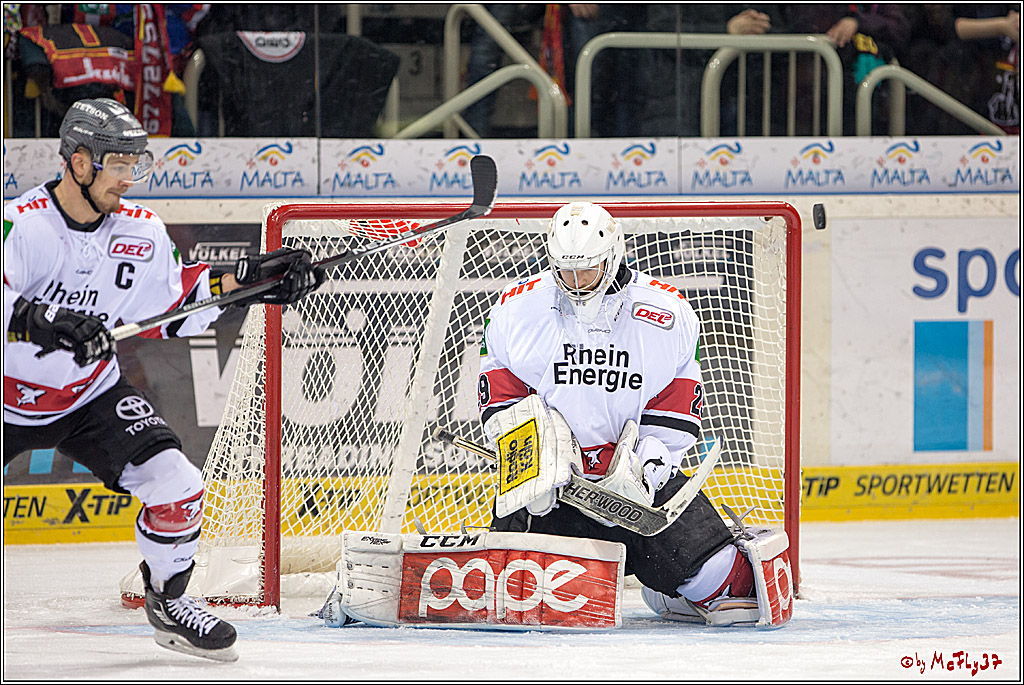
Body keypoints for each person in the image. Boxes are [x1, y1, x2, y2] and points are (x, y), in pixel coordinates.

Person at [3, 98, 324, 661]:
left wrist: (250, 282)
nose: (128, 178)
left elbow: (176, 307)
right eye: (117, 164)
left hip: (87, 394)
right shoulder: (22, 225)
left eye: (135, 164)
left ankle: (169, 602)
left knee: (178, 484)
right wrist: (50, 322)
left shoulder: (142, 230)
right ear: (78, 162)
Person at [476, 201, 791, 627]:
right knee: (522, 597)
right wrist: (530, 464)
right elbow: (502, 391)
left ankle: (670, 586)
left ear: (612, 256)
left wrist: (655, 457)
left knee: (731, 589)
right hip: (553, 490)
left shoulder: (665, 312)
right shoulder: (517, 308)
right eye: (566, 271)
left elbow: (676, 393)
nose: (576, 282)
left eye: (588, 270)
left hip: (635, 488)